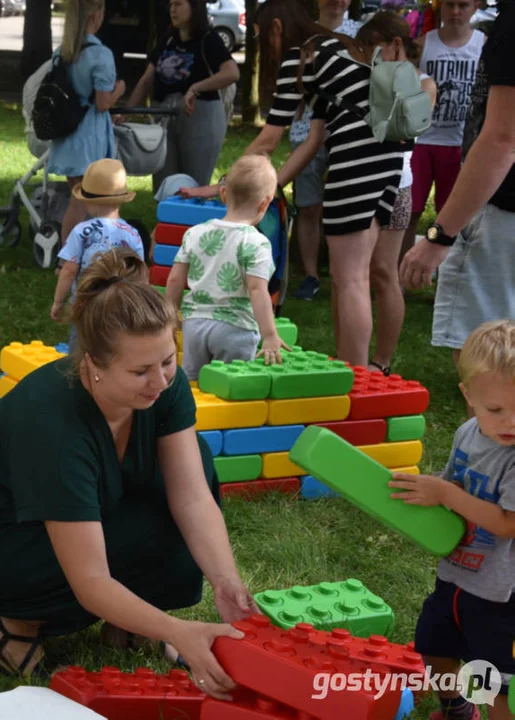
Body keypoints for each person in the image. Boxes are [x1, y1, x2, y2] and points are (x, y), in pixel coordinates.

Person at [0, 247, 259, 691]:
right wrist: (177, 630)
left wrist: (226, 582)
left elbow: (192, 496)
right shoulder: (53, 424)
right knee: (98, 563)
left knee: (194, 460)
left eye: (168, 360)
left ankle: (131, 621)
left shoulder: (164, 385)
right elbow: (89, 579)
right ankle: (6, 621)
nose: (162, 381)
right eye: (141, 370)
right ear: (93, 365)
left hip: (75, 515)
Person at [184, 0, 406, 369]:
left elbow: (269, 139)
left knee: (349, 277)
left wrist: (222, 185)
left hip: (357, 160)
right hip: (389, 160)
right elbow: (312, 141)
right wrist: (268, 188)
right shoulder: (334, 50)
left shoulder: (298, 57)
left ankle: (356, 379)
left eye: (261, 36)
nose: (266, 46)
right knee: (350, 274)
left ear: (276, 27)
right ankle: (351, 367)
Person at [389, 319, 515, 720]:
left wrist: (446, 493)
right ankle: (457, 711)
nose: (510, 421)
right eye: (496, 409)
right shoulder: (467, 434)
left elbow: (508, 523)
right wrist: (431, 492)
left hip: (501, 593)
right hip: (457, 574)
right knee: (435, 647)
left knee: (494, 681)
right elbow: (454, 483)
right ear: (469, 396)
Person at [400, 0, 515, 399]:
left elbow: (502, 140)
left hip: (502, 211)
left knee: (489, 361)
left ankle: (489, 462)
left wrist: (438, 237)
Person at [356, 13, 436, 377]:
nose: (366, 55)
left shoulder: (423, 83)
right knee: (355, 274)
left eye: (373, 47)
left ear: (395, 44)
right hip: (359, 179)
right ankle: (355, 357)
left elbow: (406, 126)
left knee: (383, 272)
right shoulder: (366, 75)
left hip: (396, 184)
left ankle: (382, 361)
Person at [165, 155, 288, 380]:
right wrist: (269, 335)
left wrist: (170, 319)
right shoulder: (256, 242)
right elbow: (257, 290)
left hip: (195, 325)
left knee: (193, 385)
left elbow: (174, 280)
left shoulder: (194, 233)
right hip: (236, 327)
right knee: (233, 387)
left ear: (223, 194)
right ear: (264, 203)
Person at [284, 0, 362, 301]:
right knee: (309, 205)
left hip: (350, 132)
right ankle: (311, 275)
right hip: (305, 129)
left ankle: (349, 274)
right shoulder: (301, 36)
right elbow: (290, 82)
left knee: (350, 206)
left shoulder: (360, 33)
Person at [121, 0, 239, 193]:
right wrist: (125, 113)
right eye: (171, 4)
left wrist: (196, 88)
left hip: (200, 118)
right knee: (163, 187)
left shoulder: (208, 39)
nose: (172, 9)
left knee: (193, 187)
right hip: (164, 120)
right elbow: (145, 81)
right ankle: (165, 223)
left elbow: (232, 72)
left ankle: (190, 223)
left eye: (179, 4)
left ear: (194, 7)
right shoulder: (167, 40)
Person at [403, 0, 484, 263]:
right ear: (440, 8)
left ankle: (444, 271)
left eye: (463, 5)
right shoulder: (424, 43)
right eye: (450, 5)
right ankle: (401, 271)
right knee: (409, 211)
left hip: (461, 143)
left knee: (451, 214)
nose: (456, 12)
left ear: (475, 7)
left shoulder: (483, 45)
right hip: (423, 141)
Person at [47, 0, 125, 248]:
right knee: (84, 202)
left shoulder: (64, 51)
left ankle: (81, 254)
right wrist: (120, 89)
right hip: (89, 137)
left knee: (80, 198)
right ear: (97, 14)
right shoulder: (100, 54)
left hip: (67, 134)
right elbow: (103, 103)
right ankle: (72, 258)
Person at [50, 159, 145, 329]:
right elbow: (139, 273)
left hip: (85, 304)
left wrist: (58, 301)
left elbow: (69, 270)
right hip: (119, 305)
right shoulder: (133, 234)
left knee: (81, 346)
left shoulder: (80, 231)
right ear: (121, 200)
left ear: (89, 202)